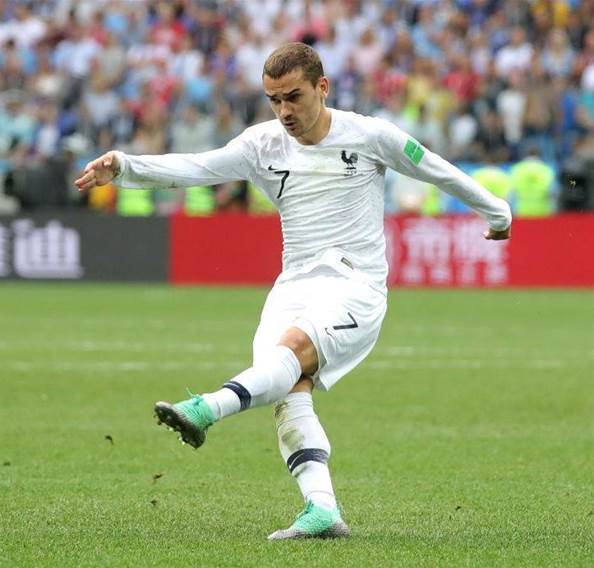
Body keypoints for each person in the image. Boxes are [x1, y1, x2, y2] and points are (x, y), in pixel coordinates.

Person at [75, 43, 511, 541]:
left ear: (322, 88)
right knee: (286, 390)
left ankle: (206, 408)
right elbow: (197, 167)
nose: (284, 111)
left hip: (354, 284)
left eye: (294, 97)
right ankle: (321, 508)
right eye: (274, 99)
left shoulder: (369, 135)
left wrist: (498, 213)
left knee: (290, 352)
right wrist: (125, 167)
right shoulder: (263, 145)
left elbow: (436, 169)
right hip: (294, 284)